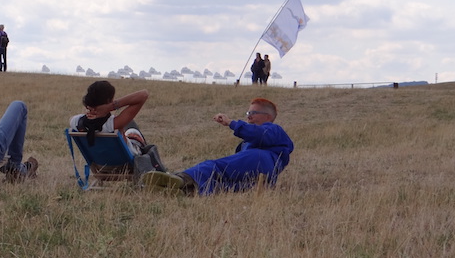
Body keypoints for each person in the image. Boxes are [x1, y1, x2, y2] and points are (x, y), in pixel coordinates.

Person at [142, 98, 293, 196]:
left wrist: (232, 123)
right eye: (248, 113)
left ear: (268, 117)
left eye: (253, 113)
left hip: (261, 160)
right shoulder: (247, 143)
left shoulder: (273, 129)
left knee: (216, 168)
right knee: (226, 186)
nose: (248, 117)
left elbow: (259, 134)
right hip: (260, 178)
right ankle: (185, 190)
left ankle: (181, 178)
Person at [68, 80, 150, 154]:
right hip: (130, 157)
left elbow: (71, 119)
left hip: (100, 162)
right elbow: (143, 94)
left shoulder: (76, 122)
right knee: (133, 130)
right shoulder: (113, 124)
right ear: (109, 101)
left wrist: (91, 111)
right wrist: (112, 106)